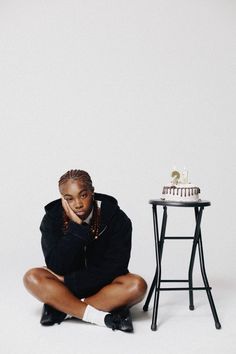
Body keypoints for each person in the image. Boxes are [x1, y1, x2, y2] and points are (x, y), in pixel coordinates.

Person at [23, 169, 147, 332]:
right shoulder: (52, 219)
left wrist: (68, 280)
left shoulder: (116, 218)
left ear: (92, 192)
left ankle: (64, 309)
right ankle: (102, 317)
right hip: (66, 289)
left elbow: (116, 267)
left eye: (83, 195)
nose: (78, 204)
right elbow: (56, 265)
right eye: (69, 199)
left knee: (137, 286)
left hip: (105, 287)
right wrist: (76, 230)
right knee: (32, 277)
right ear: (63, 199)